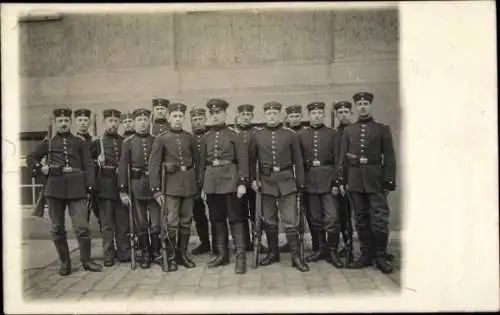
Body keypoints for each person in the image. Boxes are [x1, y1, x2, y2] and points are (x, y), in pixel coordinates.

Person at [27, 107, 103, 276]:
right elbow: (31, 158)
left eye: (66, 121)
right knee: (57, 227)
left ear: (70, 122)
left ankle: (86, 261)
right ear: (55, 123)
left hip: (77, 188)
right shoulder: (48, 143)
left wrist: (89, 186)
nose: (63, 124)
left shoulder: (79, 142)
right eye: (60, 121)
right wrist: (42, 168)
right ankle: (65, 263)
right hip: (54, 189)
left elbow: (89, 165)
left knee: (82, 226)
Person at [338, 92, 397, 274]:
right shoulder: (349, 131)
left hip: (375, 179)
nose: (363, 106)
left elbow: (389, 157)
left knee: (379, 219)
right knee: (361, 219)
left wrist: (388, 181)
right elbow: (343, 158)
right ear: (355, 107)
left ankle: (380, 255)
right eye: (360, 104)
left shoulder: (382, 129)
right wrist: (342, 180)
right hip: (355, 180)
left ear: (370, 106)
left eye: (366, 104)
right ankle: (365, 255)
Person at [249, 101, 309, 272]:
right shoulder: (257, 135)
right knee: (269, 219)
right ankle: (273, 253)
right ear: (265, 115)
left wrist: (300, 183)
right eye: (269, 114)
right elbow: (252, 160)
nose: (272, 116)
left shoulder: (290, 135)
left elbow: (298, 160)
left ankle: (295, 257)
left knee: (290, 220)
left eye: (275, 113)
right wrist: (254, 179)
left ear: (279, 115)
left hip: (287, 181)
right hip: (266, 182)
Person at [199, 98, 249, 274]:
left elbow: (243, 159)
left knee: (235, 218)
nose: (214, 116)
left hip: (231, 181)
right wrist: (202, 186)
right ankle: (222, 254)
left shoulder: (235, 135)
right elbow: (202, 164)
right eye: (212, 113)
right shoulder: (206, 137)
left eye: (218, 113)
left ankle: (241, 257)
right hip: (212, 182)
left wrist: (242, 182)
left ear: (225, 114)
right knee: (217, 218)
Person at [149, 102, 198, 272]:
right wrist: (156, 190)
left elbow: (197, 161)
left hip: (189, 184)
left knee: (186, 221)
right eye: (174, 116)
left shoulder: (189, 137)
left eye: (180, 117)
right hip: (170, 186)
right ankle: (169, 256)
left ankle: (182, 255)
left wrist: (197, 184)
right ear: (169, 118)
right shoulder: (161, 138)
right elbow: (154, 165)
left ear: (183, 118)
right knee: (171, 223)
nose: (177, 119)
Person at [298, 101, 343, 268]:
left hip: (328, 180)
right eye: (313, 113)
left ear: (323, 115)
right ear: (308, 116)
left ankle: (332, 251)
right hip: (310, 181)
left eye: (319, 113)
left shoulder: (333, 134)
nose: (316, 116)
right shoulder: (302, 135)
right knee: (315, 218)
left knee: (332, 217)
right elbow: (299, 161)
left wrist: (336, 181)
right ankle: (321, 249)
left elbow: (339, 159)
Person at [118, 108, 161, 269]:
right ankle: (145, 252)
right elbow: (123, 167)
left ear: (149, 122)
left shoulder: (156, 140)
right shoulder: (128, 142)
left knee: (156, 222)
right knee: (141, 222)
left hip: (154, 186)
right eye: (139, 120)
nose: (143, 123)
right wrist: (122, 190)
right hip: (136, 187)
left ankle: (156, 251)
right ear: (134, 123)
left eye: (145, 120)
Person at [92, 109, 130, 267]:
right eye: (110, 121)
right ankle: (108, 253)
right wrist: (96, 161)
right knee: (107, 224)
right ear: (104, 123)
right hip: (105, 187)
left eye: (116, 121)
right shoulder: (97, 142)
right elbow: (87, 166)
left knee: (122, 222)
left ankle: (123, 251)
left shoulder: (124, 141)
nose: (113, 124)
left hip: (121, 186)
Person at [235, 104, 268, 253]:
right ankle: (244, 242)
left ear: (252, 116)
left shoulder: (257, 134)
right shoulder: (234, 134)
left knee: (256, 212)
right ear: (238, 116)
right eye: (243, 114)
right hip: (238, 181)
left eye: (248, 114)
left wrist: (256, 179)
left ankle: (257, 242)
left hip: (254, 180)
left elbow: (260, 159)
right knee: (240, 213)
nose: (246, 117)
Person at [282, 104, 315, 254]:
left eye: (297, 116)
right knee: (290, 213)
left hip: (306, 177)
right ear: (287, 118)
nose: (294, 119)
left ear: (301, 117)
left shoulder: (305, 133)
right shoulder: (284, 134)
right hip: (288, 178)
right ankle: (291, 242)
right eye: (291, 117)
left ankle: (313, 243)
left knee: (307, 211)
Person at [189, 107, 216, 256]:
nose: (198, 122)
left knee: (214, 213)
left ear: (205, 120)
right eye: (195, 120)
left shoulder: (211, 136)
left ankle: (218, 243)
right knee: (198, 214)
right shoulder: (188, 138)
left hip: (211, 179)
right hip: (194, 182)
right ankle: (204, 242)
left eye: (200, 119)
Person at [333, 100, 355, 265]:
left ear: (351, 113)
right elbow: (335, 160)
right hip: (341, 182)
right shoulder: (335, 134)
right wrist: (338, 182)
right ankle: (348, 247)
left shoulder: (356, 131)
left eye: (346, 112)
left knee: (363, 215)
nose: (343, 115)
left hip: (357, 180)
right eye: (340, 113)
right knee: (343, 215)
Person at [74, 108, 101, 230]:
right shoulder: (72, 141)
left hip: (95, 181)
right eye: (80, 120)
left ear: (89, 122)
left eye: (86, 120)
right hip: (79, 181)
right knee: (82, 215)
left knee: (100, 212)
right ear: (75, 122)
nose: (83, 123)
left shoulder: (95, 141)